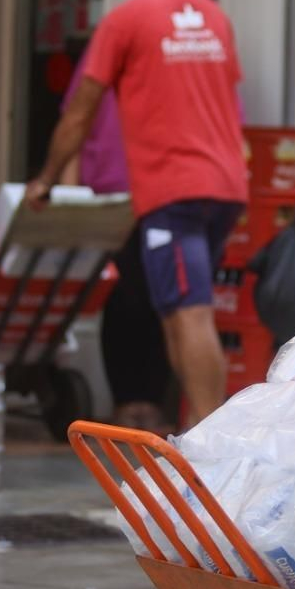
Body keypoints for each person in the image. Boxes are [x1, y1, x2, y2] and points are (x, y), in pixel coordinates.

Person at [26, 0, 247, 424]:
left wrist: (46, 178)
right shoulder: (215, 16)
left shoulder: (125, 20)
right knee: (176, 315)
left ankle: (211, 441)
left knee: (189, 313)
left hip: (174, 192)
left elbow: (80, 110)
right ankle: (198, 431)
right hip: (225, 188)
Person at [58, 52, 173, 433]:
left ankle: (151, 403)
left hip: (164, 193)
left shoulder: (175, 56)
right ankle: (127, 401)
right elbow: (76, 121)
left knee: (162, 303)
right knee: (119, 300)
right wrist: (72, 197)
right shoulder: (102, 54)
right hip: (108, 198)